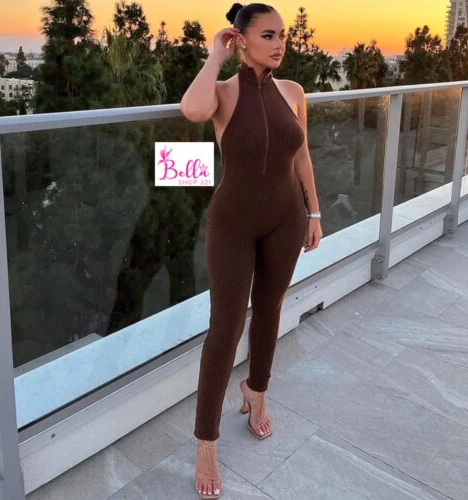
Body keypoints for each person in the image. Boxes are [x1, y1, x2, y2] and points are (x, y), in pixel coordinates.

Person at [180, 2, 322, 497]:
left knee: (270, 309)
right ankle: (206, 441)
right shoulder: (222, 93)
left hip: (287, 218)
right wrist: (214, 56)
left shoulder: (293, 91)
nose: (279, 44)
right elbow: (192, 111)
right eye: (267, 35)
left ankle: (256, 392)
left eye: (282, 35)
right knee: (225, 326)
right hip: (233, 224)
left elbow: (301, 154)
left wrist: (314, 211)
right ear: (241, 40)